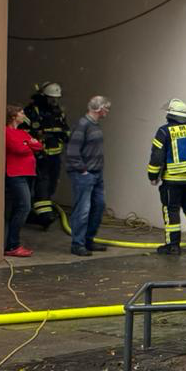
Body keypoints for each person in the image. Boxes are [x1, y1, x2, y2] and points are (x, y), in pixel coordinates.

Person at [148, 99, 186, 255]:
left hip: (173, 180)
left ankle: (173, 245)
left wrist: (152, 175)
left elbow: (157, 157)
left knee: (171, 210)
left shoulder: (164, 132)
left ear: (170, 114)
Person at [65, 96, 111, 257]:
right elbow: (72, 151)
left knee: (98, 206)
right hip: (84, 174)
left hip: (95, 173)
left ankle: (88, 240)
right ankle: (78, 244)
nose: (107, 111)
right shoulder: (83, 125)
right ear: (99, 109)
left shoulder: (94, 125)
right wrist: (82, 170)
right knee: (83, 210)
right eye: (106, 108)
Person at [23, 81, 70, 230]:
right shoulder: (32, 111)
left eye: (56, 98)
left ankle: (41, 210)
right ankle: (43, 216)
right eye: (51, 98)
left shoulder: (58, 112)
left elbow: (65, 131)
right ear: (43, 96)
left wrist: (62, 135)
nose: (54, 101)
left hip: (55, 155)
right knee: (41, 182)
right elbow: (24, 132)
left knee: (52, 182)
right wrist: (38, 141)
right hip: (38, 155)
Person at [4, 103, 43, 258]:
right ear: (13, 116)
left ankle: (11, 242)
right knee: (24, 207)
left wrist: (29, 143)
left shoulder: (22, 133)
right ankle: (12, 244)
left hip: (27, 174)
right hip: (15, 175)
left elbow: (39, 146)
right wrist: (29, 144)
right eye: (21, 112)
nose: (24, 115)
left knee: (20, 208)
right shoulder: (7, 132)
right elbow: (19, 149)